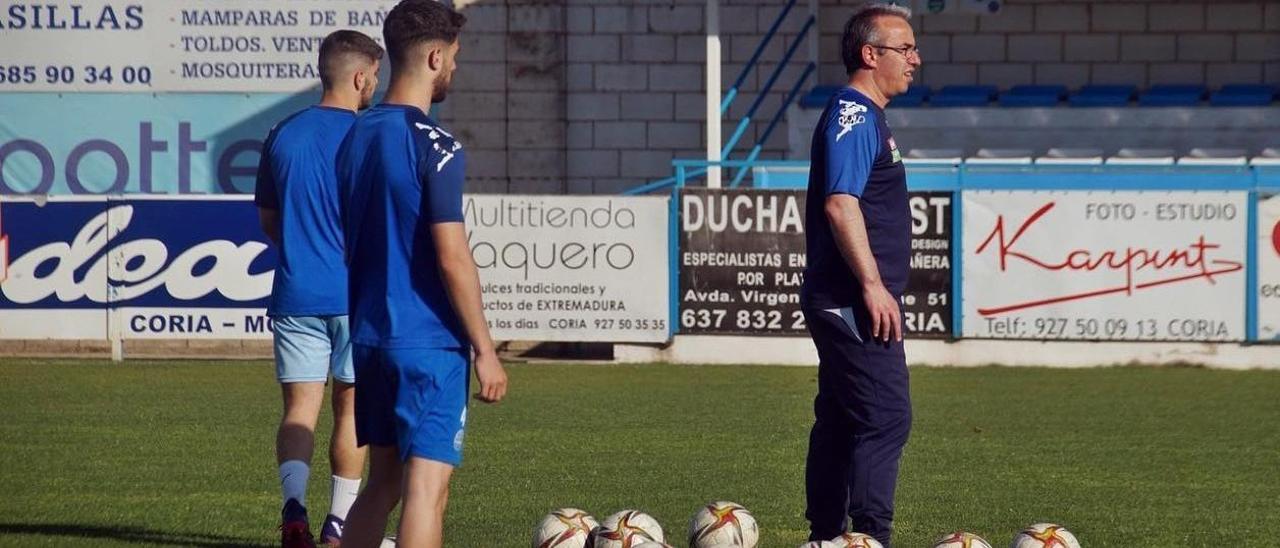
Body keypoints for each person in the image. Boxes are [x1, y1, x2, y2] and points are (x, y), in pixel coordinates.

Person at [334, 1, 508, 547]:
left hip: (370, 339)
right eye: (454, 57)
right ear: (435, 56)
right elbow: (452, 254)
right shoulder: (436, 147)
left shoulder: (352, 139)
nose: (455, 68)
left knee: (380, 484)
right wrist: (484, 347)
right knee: (426, 490)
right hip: (428, 343)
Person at [254, 29, 383, 548]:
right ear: (358, 77)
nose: (375, 85)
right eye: (374, 76)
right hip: (356, 297)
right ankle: (338, 526)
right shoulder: (369, 135)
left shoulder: (283, 133)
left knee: (299, 410)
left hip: (295, 293)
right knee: (352, 412)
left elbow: (269, 219)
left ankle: (293, 510)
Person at [799, 4, 922, 547]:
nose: (915, 60)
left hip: (850, 296)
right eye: (905, 48)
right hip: (852, 299)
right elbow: (840, 204)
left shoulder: (866, 114)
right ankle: (869, 538)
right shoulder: (853, 113)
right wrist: (873, 285)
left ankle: (828, 534)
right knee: (885, 416)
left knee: (844, 417)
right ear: (870, 55)